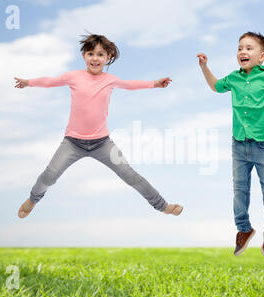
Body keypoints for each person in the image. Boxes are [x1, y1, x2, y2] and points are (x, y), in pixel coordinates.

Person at [15, 34, 183, 219]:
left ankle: (163, 206)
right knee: (49, 176)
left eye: (100, 54)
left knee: (131, 176)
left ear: (108, 58)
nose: (95, 58)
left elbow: (130, 85)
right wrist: (29, 82)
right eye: (91, 54)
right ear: (84, 56)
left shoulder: (110, 80)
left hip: (102, 143)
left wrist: (154, 84)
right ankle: (33, 200)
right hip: (72, 143)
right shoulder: (73, 76)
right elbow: (50, 81)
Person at [197, 32, 264, 258]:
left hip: (263, 144)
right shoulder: (234, 79)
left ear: (262, 56)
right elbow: (215, 87)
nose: (242, 52)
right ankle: (244, 230)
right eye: (240, 48)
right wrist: (205, 67)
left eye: (249, 48)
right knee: (240, 190)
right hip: (239, 144)